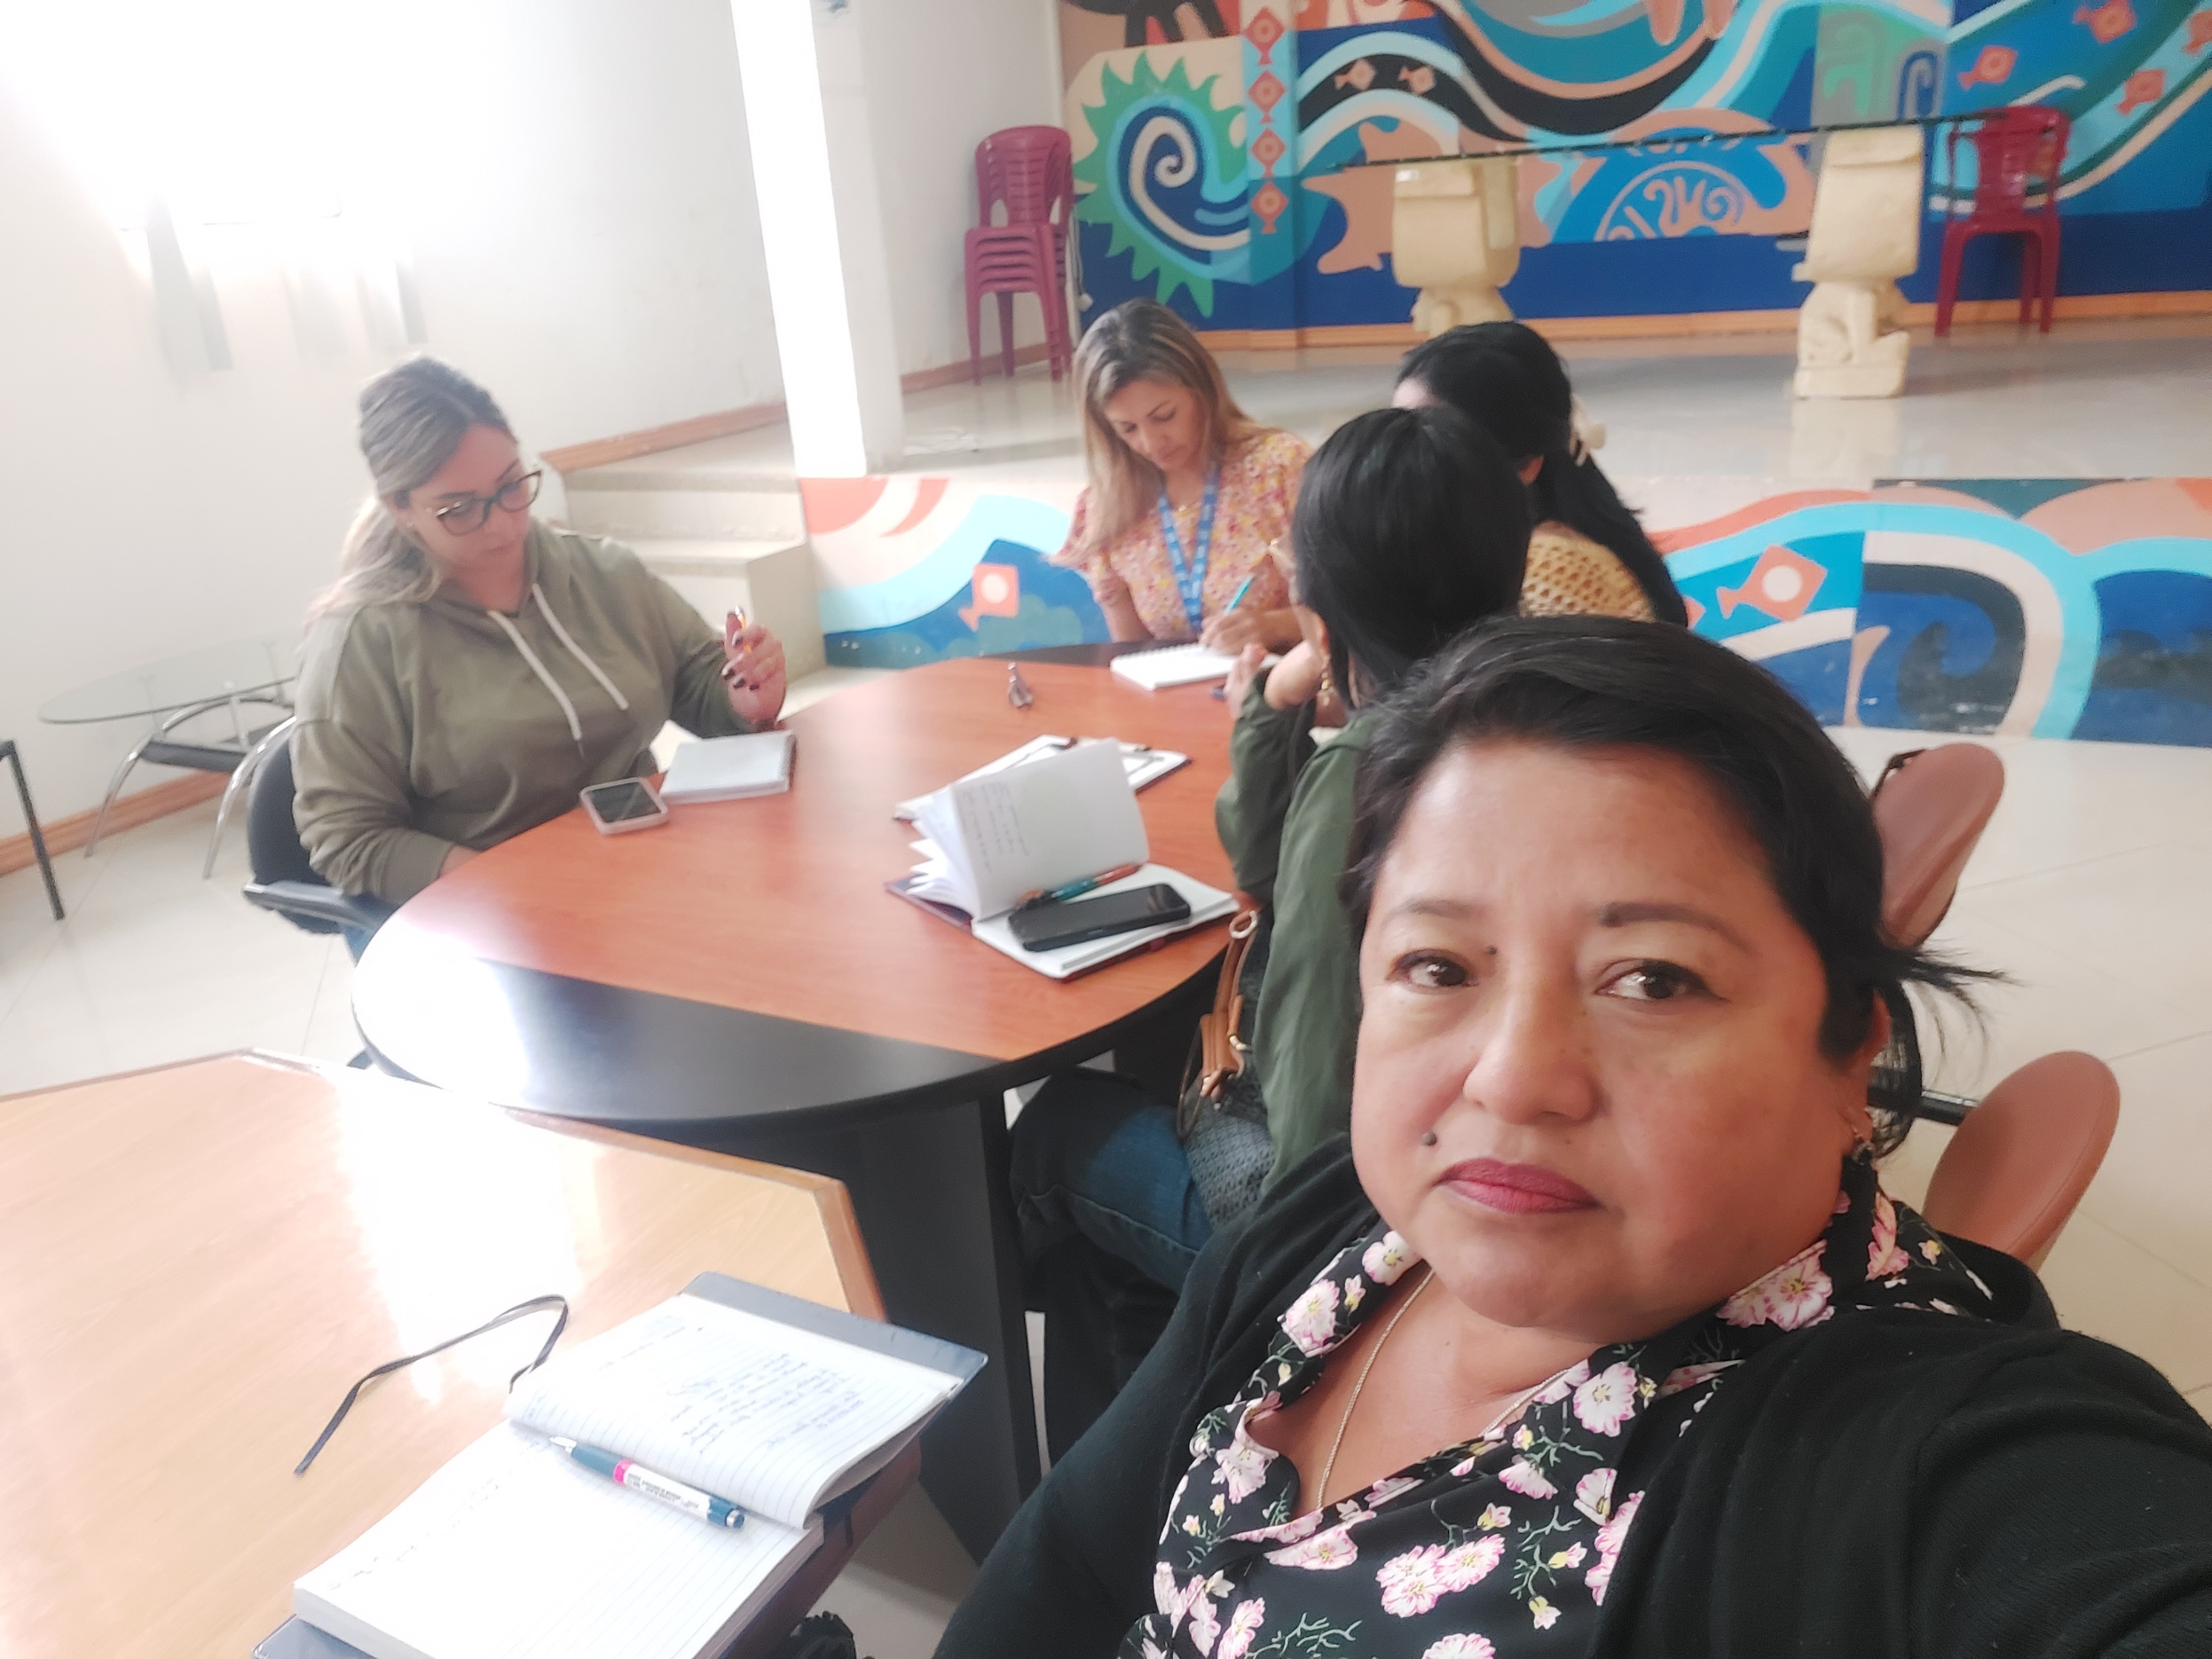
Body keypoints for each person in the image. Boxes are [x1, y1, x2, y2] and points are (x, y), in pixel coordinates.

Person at [942, 617, 2212, 1657]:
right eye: (1439, 964)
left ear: (1848, 1058)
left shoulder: (1914, 1463)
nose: (1511, 1079)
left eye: (1653, 978)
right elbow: (1069, 1556)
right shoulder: (1341, 1232)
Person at [1010, 404, 1531, 1459]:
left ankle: (1102, 1451)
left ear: (1322, 617)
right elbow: (1271, 871)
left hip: (1339, 1237)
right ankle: (1163, 1385)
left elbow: (1306, 1071)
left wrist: (1289, 1281)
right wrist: (1286, 695)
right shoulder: (1524, 710)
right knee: (1142, 1180)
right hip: (1482, 1155)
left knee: (1058, 1128)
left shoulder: (1364, 773)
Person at [293, 358, 785, 923]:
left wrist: (745, 698)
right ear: (400, 508)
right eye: (458, 510)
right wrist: (517, 889)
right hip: (495, 912)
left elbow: (697, 681)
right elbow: (349, 839)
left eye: (511, 487)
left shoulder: (600, 572)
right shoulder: (362, 641)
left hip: (637, 872)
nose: (501, 524)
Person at [1057, 301, 1309, 653]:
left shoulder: (1278, 470)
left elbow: (1354, 610)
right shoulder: (1108, 507)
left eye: (1164, 416)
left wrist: (1273, 626)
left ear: (1201, 389)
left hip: (1279, 680)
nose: (1151, 443)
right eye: (1127, 429)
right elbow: (1132, 655)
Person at [1395, 322, 1687, 625]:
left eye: (1427, 438)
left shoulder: (1548, 572)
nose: (1394, 453)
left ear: (1528, 463)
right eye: (1395, 428)